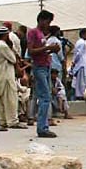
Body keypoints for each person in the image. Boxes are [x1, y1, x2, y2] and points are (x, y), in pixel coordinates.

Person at [25, 10, 59, 138]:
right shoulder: (33, 32)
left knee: (46, 96)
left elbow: (40, 51)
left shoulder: (42, 34)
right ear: (42, 20)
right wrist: (48, 48)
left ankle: (43, 125)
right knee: (45, 97)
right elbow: (31, 51)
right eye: (48, 21)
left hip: (45, 66)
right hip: (39, 67)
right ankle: (42, 128)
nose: (48, 24)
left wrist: (51, 51)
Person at [0, 27, 26, 128]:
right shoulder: (3, 46)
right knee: (10, 99)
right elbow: (13, 59)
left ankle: (2, 120)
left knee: (1, 99)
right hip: (6, 75)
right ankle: (12, 121)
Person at [71, 28, 86, 100]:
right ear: (83, 34)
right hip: (81, 64)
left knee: (80, 82)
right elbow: (78, 54)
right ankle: (81, 95)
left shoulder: (79, 42)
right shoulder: (82, 42)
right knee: (82, 82)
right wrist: (74, 61)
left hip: (80, 64)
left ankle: (80, 95)